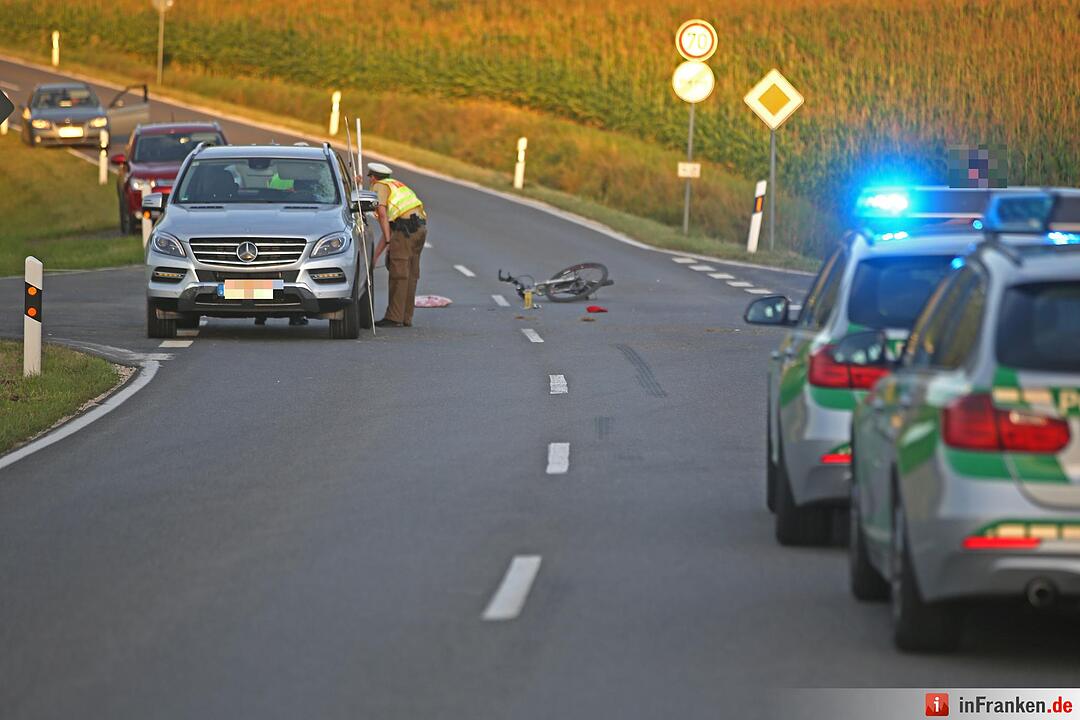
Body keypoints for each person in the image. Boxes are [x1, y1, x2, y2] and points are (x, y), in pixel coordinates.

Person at [367, 162, 427, 328]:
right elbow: (390, 231)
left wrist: (387, 241)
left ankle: (394, 317)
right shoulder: (396, 185)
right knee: (411, 274)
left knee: (398, 274)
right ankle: (406, 317)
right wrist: (376, 256)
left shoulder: (379, 186)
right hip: (419, 228)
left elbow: (383, 216)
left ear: (373, 177)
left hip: (404, 230)